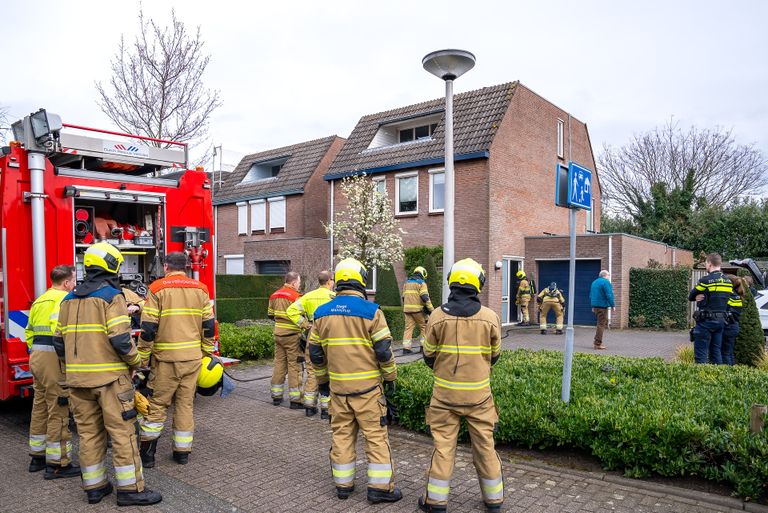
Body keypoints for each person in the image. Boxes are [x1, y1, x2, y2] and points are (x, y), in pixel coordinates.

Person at [53, 243, 161, 506]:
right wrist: (136, 361)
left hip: (77, 382)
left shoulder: (67, 299)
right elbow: (122, 340)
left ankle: (95, 488)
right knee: (123, 433)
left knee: (89, 434)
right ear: (112, 265)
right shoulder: (112, 296)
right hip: (111, 381)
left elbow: (58, 343)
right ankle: (131, 491)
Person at [308, 258, 402, 504]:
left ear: (338, 282)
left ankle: (343, 485)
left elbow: (316, 354)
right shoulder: (372, 311)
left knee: (341, 435)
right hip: (368, 390)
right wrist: (390, 377)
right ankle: (380, 489)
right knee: (376, 437)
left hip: (338, 390)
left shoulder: (321, 313)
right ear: (361, 280)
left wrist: (323, 383)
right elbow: (383, 351)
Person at [418, 258, 503, 513]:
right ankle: (494, 500)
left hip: (444, 397)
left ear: (451, 283)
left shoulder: (436, 316)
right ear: (480, 284)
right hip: (479, 397)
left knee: (443, 448)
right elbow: (495, 355)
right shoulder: (490, 317)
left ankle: (435, 502)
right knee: (486, 447)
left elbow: (428, 355)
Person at [137, 252, 215, 467]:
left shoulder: (157, 288)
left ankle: (148, 456)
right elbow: (208, 324)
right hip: (192, 359)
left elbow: (148, 328)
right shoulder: (201, 289)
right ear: (187, 267)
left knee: (158, 405)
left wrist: (142, 357)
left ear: (165, 267)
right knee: (185, 404)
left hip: (165, 361)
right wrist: (207, 351)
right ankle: (182, 452)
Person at [26, 265, 78, 478]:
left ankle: (37, 457)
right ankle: (58, 464)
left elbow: (29, 332)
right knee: (58, 407)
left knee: (40, 406)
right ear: (66, 283)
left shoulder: (40, 300)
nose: (75, 284)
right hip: (53, 359)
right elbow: (62, 335)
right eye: (74, 280)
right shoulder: (64, 300)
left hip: (36, 357)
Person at [286, 270, 335, 418]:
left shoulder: (308, 296)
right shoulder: (334, 297)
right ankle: (326, 409)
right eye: (332, 280)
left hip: (313, 334)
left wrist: (305, 324)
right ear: (329, 282)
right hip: (329, 334)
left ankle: (309, 405)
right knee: (329, 371)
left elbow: (291, 310)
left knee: (312, 370)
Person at [689, 253, 733, 364]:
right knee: (716, 352)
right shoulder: (728, 282)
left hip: (706, 322)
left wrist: (698, 297)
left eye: (706, 264)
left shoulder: (706, 280)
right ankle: (717, 377)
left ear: (709, 263)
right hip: (721, 322)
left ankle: (701, 379)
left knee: (701, 355)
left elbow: (691, 296)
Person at [268, 272, 303, 407]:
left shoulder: (274, 295)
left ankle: (276, 396)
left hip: (278, 335)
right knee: (294, 366)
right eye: (298, 282)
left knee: (279, 364)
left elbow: (270, 315)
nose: (299, 285)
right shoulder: (296, 297)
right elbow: (301, 315)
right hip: (292, 336)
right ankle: (295, 400)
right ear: (294, 283)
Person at [401, 266, 434, 354]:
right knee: (424, 327)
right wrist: (431, 310)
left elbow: (403, 297)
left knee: (408, 328)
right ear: (423, 274)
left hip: (407, 310)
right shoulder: (421, 283)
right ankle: (423, 347)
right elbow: (425, 297)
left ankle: (406, 348)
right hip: (418, 310)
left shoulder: (406, 283)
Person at [721, 275, 745, 366]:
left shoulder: (728, 295)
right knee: (729, 352)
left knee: (725, 353)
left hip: (728, 326)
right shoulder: (737, 296)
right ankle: (732, 370)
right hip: (734, 326)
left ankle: (728, 372)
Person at [590, 270, 615, 350]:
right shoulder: (606, 282)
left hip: (596, 306)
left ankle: (596, 340)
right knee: (601, 324)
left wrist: (593, 306)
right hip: (602, 306)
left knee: (601, 323)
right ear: (604, 275)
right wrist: (612, 305)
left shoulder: (594, 282)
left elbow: (591, 295)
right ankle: (597, 343)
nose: (609, 277)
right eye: (608, 275)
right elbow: (609, 294)